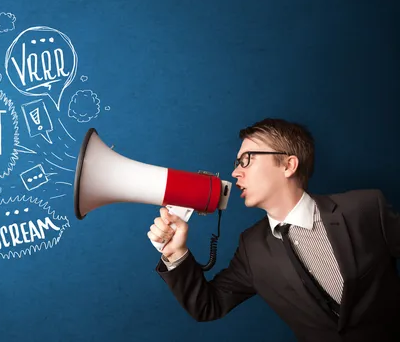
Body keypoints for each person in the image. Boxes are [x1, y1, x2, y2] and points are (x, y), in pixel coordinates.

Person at [147, 118, 400, 342]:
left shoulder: (365, 208)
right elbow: (207, 306)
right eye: (237, 163)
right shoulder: (252, 248)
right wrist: (176, 253)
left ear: (288, 165)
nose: (235, 172)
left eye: (247, 160)